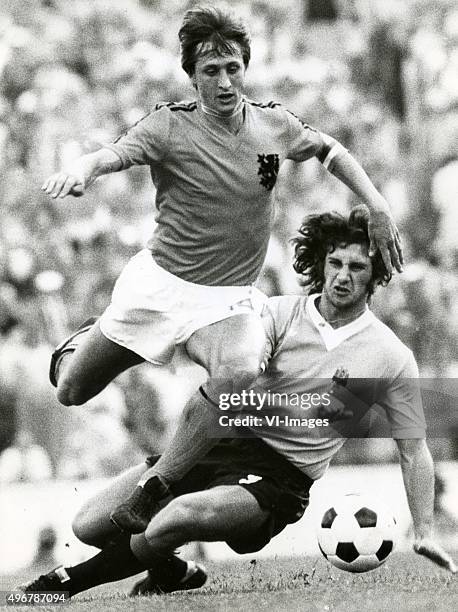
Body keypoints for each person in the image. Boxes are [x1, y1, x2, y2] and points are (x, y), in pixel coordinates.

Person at [42, 5, 403, 533]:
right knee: (71, 391)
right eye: (211, 71)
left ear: (246, 68)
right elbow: (110, 155)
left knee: (241, 371)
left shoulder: (274, 125)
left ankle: (155, 487)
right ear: (192, 76)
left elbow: (331, 149)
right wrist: (80, 169)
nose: (225, 81)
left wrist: (376, 203)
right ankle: (84, 341)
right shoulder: (169, 126)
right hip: (159, 287)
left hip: (226, 298)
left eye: (233, 67)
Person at [21, 209, 454, 599]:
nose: (343, 276)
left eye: (357, 267)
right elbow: (245, 389)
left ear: (374, 276)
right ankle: (172, 571)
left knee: (177, 516)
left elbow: (411, 449)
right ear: (321, 265)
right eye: (335, 263)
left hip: (279, 476)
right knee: (89, 524)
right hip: (218, 444)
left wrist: (424, 530)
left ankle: (64, 584)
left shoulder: (390, 356)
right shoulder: (278, 314)